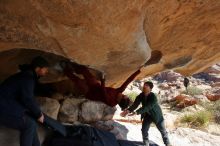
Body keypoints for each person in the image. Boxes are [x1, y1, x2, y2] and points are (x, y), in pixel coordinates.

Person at [0, 56, 50, 146]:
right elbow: (28, 98)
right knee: (29, 124)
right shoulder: (28, 78)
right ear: (38, 68)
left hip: (7, 106)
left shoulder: (26, 75)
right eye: (45, 69)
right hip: (3, 108)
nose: (47, 72)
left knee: (32, 122)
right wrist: (38, 114)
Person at [60, 61, 141, 110]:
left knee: (78, 81)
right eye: (124, 95)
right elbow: (128, 81)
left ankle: (65, 69)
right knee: (85, 72)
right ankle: (73, 66)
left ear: (120, 100)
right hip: (96, 87)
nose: (123, 94)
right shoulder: (119, 91)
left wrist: (103, 80)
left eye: (123, 96)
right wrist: (138, 71)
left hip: (90, 93)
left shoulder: (112, 103)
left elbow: (103, 93)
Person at [120, 81, 171, 146]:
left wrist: (136, 112)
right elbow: (135, 105)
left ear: (150, 88)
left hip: (157, 116)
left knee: (163, 131)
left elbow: (147, 107)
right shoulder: (141, 95)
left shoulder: (153, 97)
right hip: (147, 115)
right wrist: (128, 111)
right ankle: (146, 144)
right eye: (144, 85)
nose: (144, 86)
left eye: (146, 85)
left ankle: (168, 144)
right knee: (144, 130)